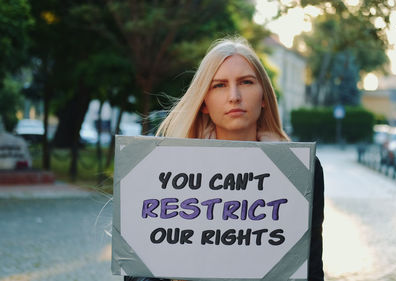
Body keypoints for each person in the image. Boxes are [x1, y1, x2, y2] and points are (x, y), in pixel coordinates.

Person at [125, 37, 324, 281]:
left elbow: (311, 266)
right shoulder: (164, 169)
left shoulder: (302, 170)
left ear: (264, 96)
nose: (234, 96)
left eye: (246, 82)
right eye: (219, 85)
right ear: (204, 102)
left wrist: (278, 163)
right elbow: (137, 271)